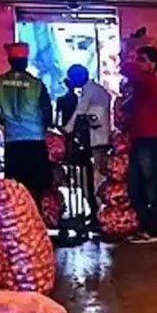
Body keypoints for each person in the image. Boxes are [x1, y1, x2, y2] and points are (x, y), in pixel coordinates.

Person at [0, 42, 53, 204]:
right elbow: (47, 111)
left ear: (10, 61)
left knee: (15, 183)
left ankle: (18, 216)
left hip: (13, 139)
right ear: (25, 62)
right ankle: (35, 214)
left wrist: (1, 119)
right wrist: (46, 128)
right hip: (35, 139)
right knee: (37, 183)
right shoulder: (37, 84)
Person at [122, 45, 157, 244]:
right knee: (134, 187)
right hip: (139, 140)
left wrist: (131, 51)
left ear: (153, 64)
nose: (138, 63)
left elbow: (126, 68)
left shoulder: (152, 82)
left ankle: (155, 228)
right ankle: (145, 225)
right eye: (138, 59)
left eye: (143, 59)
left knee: (150, 186)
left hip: (149, 139)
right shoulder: (140, 85)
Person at [63, 64, 112, 222]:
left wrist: (68, 129)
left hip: (98, 138)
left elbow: (80, 110)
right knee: (94, 174)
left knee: (98, 174)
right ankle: (96, 209)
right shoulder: (94, 89)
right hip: (98, 136)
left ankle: (98, 209)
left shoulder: (90, 91)